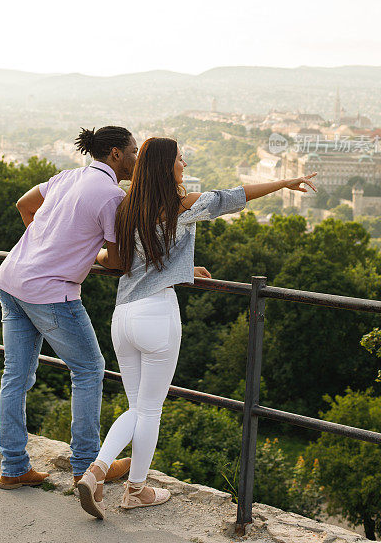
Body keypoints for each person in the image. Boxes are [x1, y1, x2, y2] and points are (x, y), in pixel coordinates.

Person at [76, 137, 316, 518]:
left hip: (123, 316)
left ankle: (101, 473)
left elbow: (125, 259)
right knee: (149, 410)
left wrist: (182, 270)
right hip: (157, 317)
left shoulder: (125, 208)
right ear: (166, 167)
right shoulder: (181, 207)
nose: (184, 163)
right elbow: (232, 198)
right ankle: (125, 485)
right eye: (180, 158)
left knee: (136, 406)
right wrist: (283, 183)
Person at [0, 125, 139, 489]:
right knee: (90, 370)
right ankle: (86, 468)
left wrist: (46, 244)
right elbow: (117, 261)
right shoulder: (112, 196)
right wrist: (76, 255)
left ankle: (13, 468)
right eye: (134, 151)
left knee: (16, 376)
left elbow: (24, 205)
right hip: (50, 293)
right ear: (116, 154)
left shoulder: (68, 177)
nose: (137, 157)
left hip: (12, 280)